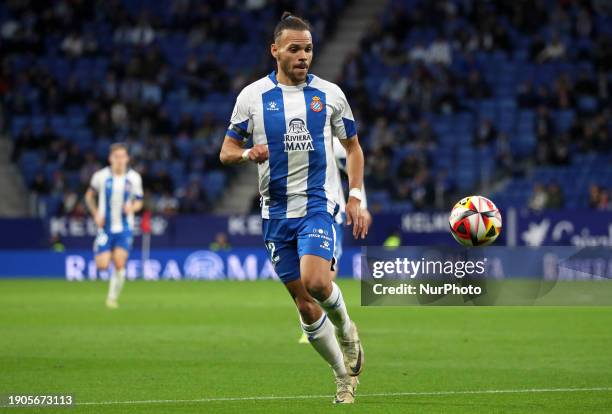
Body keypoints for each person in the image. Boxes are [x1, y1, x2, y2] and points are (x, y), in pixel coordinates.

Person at [219, 12, 369, 404]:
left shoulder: (330, 95)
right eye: (295, 49)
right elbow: (226, 151)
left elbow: (352, 148)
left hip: (318, 205)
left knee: (318, 283)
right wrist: (249, 153)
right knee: (304, 305)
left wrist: (355, 195)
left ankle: (347, 328)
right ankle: (343, 377)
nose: (303, 56)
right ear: (275, 51)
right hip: (275, 214)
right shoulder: (252, 97)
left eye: (308, 49)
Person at [298, 136, 371, 344]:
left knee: (323, 276)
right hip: (293, 215)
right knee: (302, 277)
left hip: (327, 214)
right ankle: (316, 320)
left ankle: (327, 324)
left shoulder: (328, 138)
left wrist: (360, 204)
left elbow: (352, 160)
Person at [85, 143, 143, 309]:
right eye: (116, 157)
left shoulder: (134, 178)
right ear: (110, 158)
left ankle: (112, 298)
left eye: (122, 156)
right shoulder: (100, 176)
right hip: (105, 227)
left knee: (119, 263)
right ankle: (104, 248)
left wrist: (131, 207)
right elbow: (89, 196)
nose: (119, 160)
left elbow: (139, 201)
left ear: (127, 158)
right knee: (102, 265)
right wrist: (96, 213)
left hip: (125, 228)